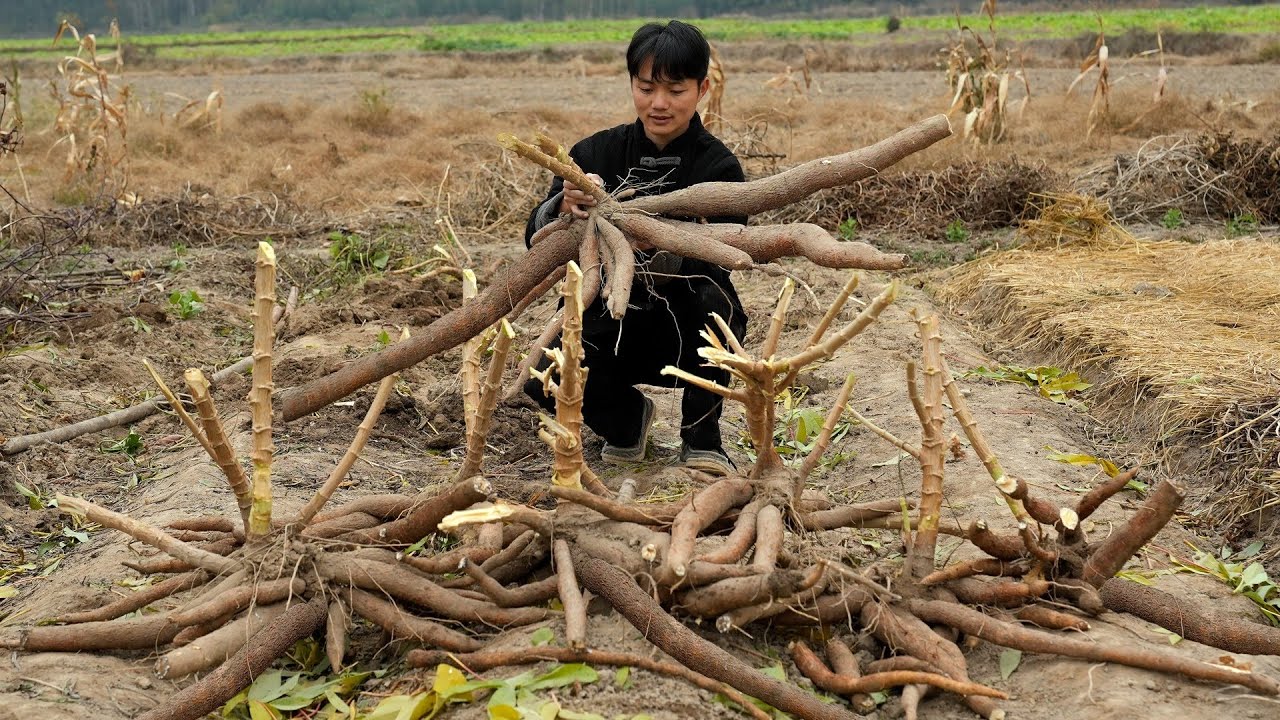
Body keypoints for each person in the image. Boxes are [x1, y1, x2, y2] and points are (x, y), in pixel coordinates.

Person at [522, 19, 747, 477]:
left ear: (703, 88)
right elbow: (535, 238)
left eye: (675, 90)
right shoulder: (591, 155)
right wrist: (563, 207)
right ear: (631, 85)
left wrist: (672, 235)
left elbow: (733, 245)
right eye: (646, 88)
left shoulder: (719, 166)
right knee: (539, 374)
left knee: (719, 306)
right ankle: (626, 424)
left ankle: (702, 438)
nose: (659, 103)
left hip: (685, 320)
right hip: (610, 313)